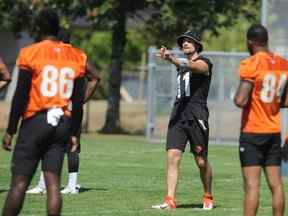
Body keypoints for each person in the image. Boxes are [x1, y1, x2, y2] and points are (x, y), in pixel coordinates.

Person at [1, 8, 87, 216]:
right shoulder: (77, 56)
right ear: (57, 28)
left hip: (36, 120)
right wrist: (75, 133)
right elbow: (77, 101)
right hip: (62, 124)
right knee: (53, 184)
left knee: (19, 183)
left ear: (38, 27)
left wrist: (10, 130)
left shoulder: (30, 52)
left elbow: (20, 96)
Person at [26, 28, 100, 195]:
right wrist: (81, 101)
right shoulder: (80, 55)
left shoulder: (51, 55)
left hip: (53, 105)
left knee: (46, 143)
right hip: (73, 107)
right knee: (73, 144)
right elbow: (95, 78)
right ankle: (72, 185)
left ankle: (43, 184)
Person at [152, 30, 214, 210]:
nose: (185, 44)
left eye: (189, 41)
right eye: (183, 42)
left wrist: (173, 59)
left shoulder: (205, 62)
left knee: (201, 161)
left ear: (197, 45)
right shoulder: (181, 64)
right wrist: (171, 58)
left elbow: (195, 67)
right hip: (178, 115)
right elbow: (183, 65)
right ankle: (170, 199)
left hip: (197, 116)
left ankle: (208, 195)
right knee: (172, 156)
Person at [234, 24, 287, 216]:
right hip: (274, 133)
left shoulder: (252, 63)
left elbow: (240, 100)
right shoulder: (283, 64)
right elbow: (284, 101)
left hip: (253, 132)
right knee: (276, 185)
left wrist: (240, 95)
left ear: (250, 41)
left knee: (252, 186)